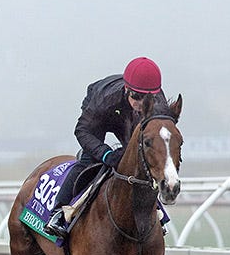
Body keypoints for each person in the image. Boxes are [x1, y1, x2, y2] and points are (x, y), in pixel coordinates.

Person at [43, 57, 170, 237]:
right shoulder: (105, 98)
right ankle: (57, 213)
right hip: (102, 114)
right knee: (88, 160)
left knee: (140, 162)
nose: (140, 103)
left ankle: (155, 212)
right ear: (126, 89)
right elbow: (82, 131)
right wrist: (106, 154)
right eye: (136, 96)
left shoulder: (159, 104)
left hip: (131, 121)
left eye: (147, 99)